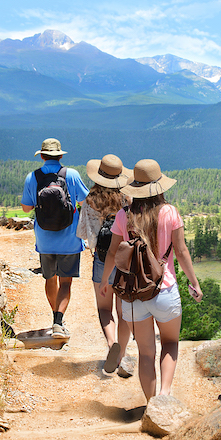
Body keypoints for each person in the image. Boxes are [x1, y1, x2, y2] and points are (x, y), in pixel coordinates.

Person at [103, 158, 203, 402]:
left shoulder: (123, 216)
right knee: (170, 344)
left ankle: (151, 406)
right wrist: (194, 283)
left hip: (133, 294)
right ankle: (165, 396)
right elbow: (181, 252)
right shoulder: (170, 213)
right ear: (159, 186)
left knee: (145, 353)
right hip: (164, 290)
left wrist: (106, 281)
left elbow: (113, 253)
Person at [21, 138, 89, 338]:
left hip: (44, 239)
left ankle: (55, 317)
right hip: (69, 239)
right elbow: (85, 200)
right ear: (61, 156)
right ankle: (58, 322)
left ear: (42, 156)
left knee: (50, 279)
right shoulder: (72, 175)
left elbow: (26, 208)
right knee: (65, 282)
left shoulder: (32, 177)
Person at [76, 154, 132, 374]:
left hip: (101, 258)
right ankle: (123, 355)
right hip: (125, 260)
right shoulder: (127, 199)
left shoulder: (90, 201)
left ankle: (111, 344)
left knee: (104, 308)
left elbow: (83, 233)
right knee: (122, 309)